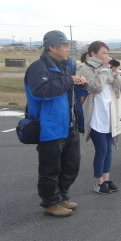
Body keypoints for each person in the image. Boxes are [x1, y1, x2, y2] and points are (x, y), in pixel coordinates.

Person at [24, 30, 88, 217]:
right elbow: (40, 92)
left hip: (70, 124)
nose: (69, 49)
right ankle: (50, 202)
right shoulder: (38, 67)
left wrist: (80, 84)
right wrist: (68, 81)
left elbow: (70, 92)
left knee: (71, 165)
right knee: (50, 168)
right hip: (50, 126)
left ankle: (61, 196)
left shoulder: (66, 66)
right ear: (51, 47)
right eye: (65, 45)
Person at [79, 41, 121, 194]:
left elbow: (118, 86)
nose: (106, 56)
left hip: (109, 113)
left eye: (107, 53)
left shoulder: (106, 69)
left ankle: (106, 179)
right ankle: (98, 182)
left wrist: (115, 70)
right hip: (96, 115)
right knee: (101, 150)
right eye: (103, 53)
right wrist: (105, 70)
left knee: (109, 150)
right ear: (93, 54)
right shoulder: (85, 68)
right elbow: (96, 87)